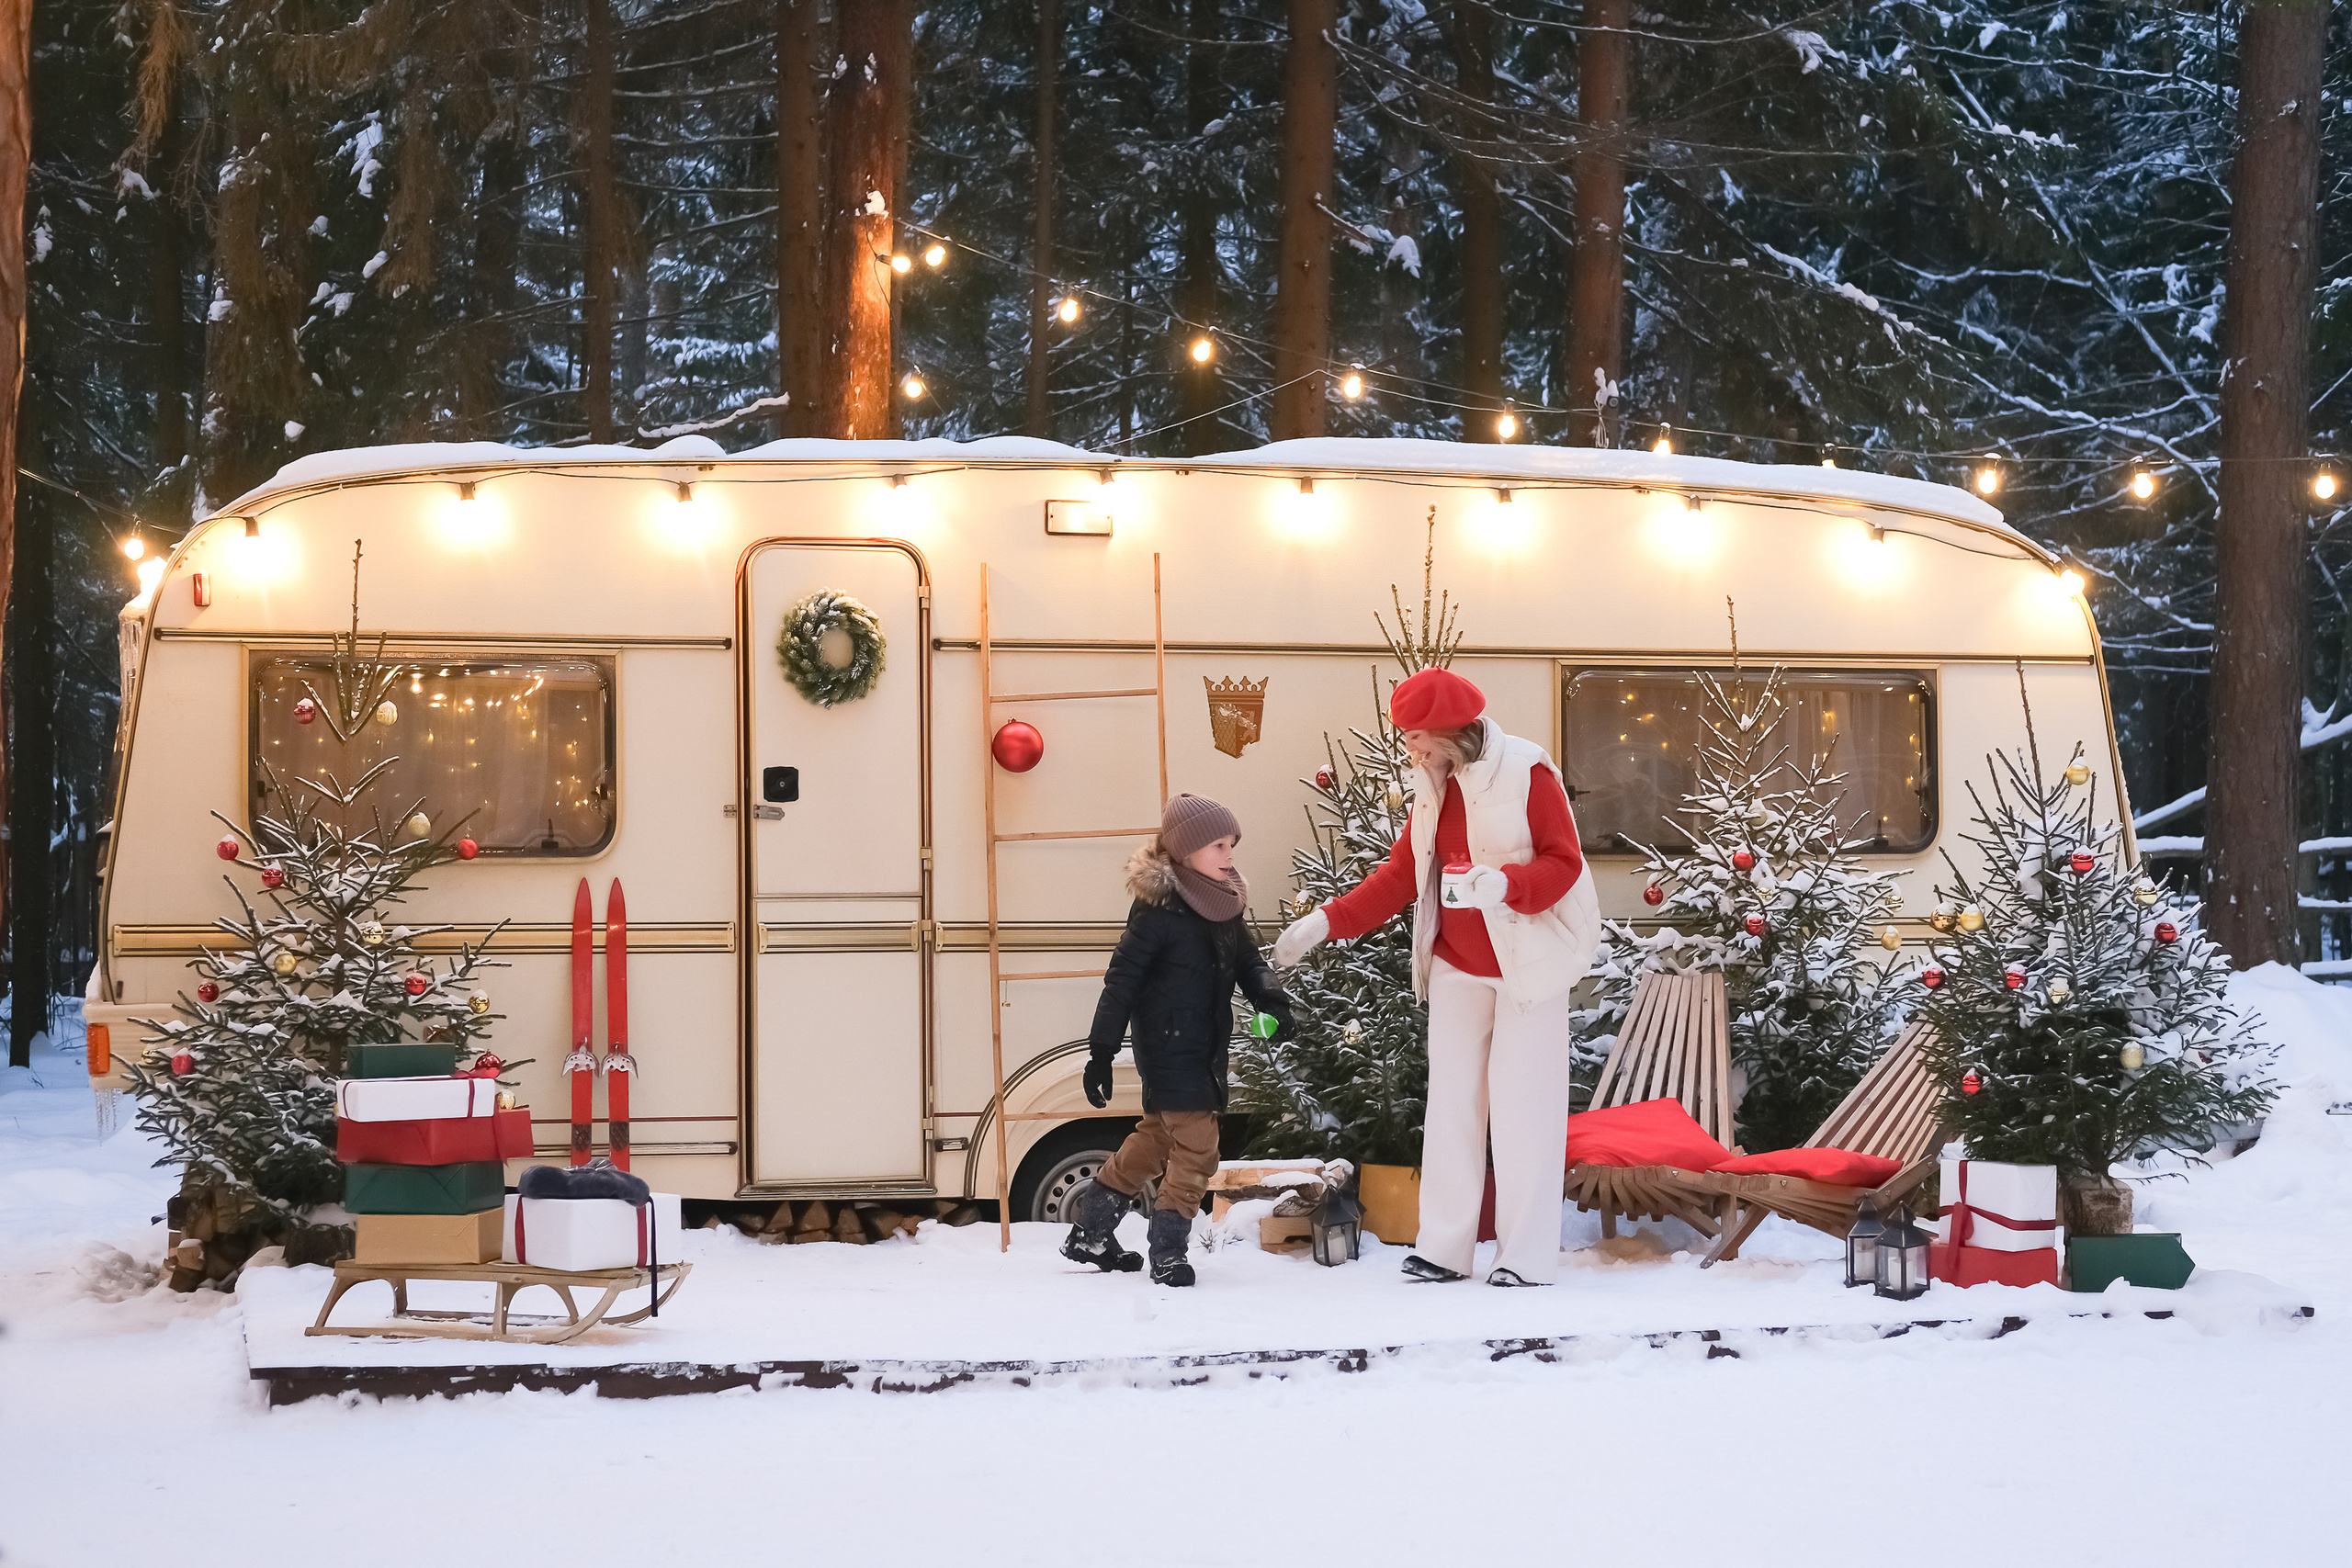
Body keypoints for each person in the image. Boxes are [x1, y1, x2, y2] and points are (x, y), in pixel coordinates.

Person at [1273, 667, 1600, 1286]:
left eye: (1416, 735)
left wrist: (1504, 884)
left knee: (1523, 1111)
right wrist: (1326, 921)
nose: (1410, 748)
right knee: (1451, 1106)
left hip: (1526, 964)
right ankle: (1446, 1247)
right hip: (1457, 964)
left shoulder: (1528, 770)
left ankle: (1524, 1258)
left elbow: (1565, 862)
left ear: (1450, 730)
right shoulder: (1432, 784)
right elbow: (1401, 874)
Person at [1064, 793, 1295, 1287]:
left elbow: (1248, 962)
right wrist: (1101, 1052)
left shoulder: (1224, 902)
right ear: (1186, 851)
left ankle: (1090, 1231)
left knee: (1158, 1138)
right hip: (1168, 1046)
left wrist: (1272, 1001)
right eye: (1218, 844)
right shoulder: (1158, 910)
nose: (1230, 854)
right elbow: (1121, 980)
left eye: (1232, 843)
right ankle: (1168, 1252)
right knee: (1198, 1148)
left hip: (1206, 1045)